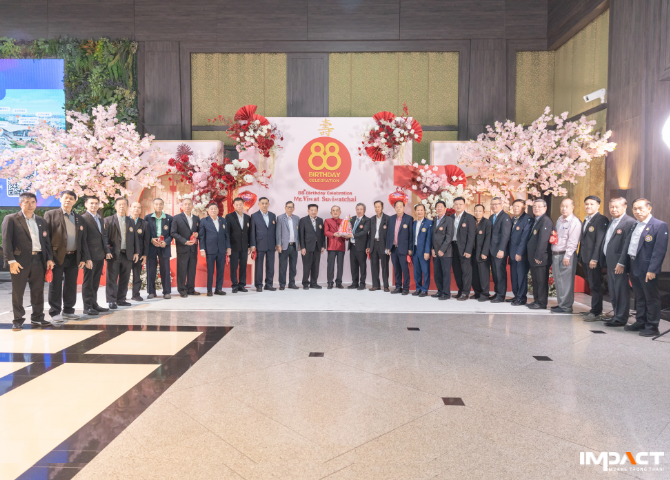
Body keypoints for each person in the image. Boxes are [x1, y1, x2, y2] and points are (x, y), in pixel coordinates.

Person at [2, 192, 55, 331]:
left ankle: (38, 317)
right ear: (20, 204)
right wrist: (11, 261)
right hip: (19, 261)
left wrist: (49, 258)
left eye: (33, 202)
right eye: (27, 202)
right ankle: (18, 320)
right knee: (18, 292)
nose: (30, 204)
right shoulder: (11, 219)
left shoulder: (41, 221)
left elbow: (46, 242)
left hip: (39, 260)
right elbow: (6, 241)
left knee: (38, 291)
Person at [617, 198, 669, 337]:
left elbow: (659, 251)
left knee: (651, 297)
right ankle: (640, 321)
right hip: (633, 264)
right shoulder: (635, 225)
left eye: (641, 208)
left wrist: (652, 269)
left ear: (649, 208)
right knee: (639, 296)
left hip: (647, 267)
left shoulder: (659, 225)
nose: (637, 211)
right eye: (635, 209)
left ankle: (652, 326)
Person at [44, 190, 89, 324]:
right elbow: (46, 239)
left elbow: (83, 240)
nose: (68, 200)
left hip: (74, 257)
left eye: (71, 198)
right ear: (60, 199)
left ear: (75, 201)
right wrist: (49, 258)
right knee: (56, 285)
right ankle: (55, 312)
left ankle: (68, 310)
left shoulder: (79, 218)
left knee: (71, 285)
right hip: (56, 257)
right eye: (66, 198)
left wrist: (83, 258)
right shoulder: (51, 215)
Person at [601, 198, 636, 327]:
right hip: (610, 261)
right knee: (613, 290)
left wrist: (621, 262)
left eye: (617, 207)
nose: (614, 209)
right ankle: (616, 315)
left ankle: (621, 318)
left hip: (619, 263)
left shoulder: (629, 222)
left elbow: (627, 245)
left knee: (621, 290)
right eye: (611, 207)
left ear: (624, 207)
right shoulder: (612, 220)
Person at [104, 197, 140, 309]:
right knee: (112, 278)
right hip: (114, 254)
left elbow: (135, 237)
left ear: (127, 207)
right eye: (119, 204)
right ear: (115, 206)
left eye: (124, 204)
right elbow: (104, 238)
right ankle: (111, 300)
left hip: (127, 254)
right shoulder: (108, 220)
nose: (122, 206)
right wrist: (107, 251)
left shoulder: (130, 221)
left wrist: (136, 252)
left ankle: (121, 299)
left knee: (125, 277)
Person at [578, 195, 609, 321]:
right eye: (587, 204)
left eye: (591, 204)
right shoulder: (586, 219)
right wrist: (580, 257)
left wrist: (595, 259)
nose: (588, 206)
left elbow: (599, 241)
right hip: (585, 258)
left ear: (598, 206)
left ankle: (596, 312)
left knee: (596, 285)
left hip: (593, 260)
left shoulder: (601, 219)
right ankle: (593, 309)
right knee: (592, 284)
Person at [80, 196, 111, 316]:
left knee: (95, 282)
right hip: (90, 256)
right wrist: (87, 258)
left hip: (100, 255)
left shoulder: (100, 218)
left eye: (96, 203)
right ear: (86, 204)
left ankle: (94, 304)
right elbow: (83, 240)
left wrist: (107, 251)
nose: (94, 206)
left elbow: (103, 236)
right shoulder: (83, 218)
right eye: (91, 203)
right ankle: (87, 307)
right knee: (88, 282)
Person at [550, 198, 582, 314]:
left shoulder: (574, 222)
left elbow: (573, 241)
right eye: (562, 206)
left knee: (566, 281)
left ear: (572, 207)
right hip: (556, 254)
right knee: (559, 281)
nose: (564, 208)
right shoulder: (559, 220)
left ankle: (566, 307)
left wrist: (567, 256)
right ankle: (561, 304)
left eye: (567, 206)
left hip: (566, 255)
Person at [171, 197, 200, 297]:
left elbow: (200, 232)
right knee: (182, 270)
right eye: (185, 204)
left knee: (192, 270)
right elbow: (173, 233)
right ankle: (182, 290)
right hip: (182, 248)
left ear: (192, 206)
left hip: (193, 249)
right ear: (182, 206)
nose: (187, 206)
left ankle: (191, 289)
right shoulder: (177, 218)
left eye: (189, 204)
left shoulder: (196, 218)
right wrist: (184, 241)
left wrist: (198, 234)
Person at [526, 199, 553, 310]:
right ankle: (536, 301)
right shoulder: (537, 220)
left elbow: (543, 240)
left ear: (545, 208)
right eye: (534, 206)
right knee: (536, 280)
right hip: (534, 257)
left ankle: (541, 303)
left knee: (541, 281)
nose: (536, 208)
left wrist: (539, 256)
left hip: (540, 257)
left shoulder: (545, 221)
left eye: (539, 206)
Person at [199, 203, 231, 296]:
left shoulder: (222, 220)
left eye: (215, 209)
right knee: (210, 270)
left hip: (221, 249)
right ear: (208, 211)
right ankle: (209, 290)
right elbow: (201, 236)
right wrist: (202, 249)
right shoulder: (204, 221)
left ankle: (218, 289)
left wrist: (228, 247)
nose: (213, 210)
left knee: (221, 270)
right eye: (211, 209)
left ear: (218, 210)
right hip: (210, 250)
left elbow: (226, 235)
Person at [144, 198, 172, 300]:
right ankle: (151, 292)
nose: (158, 206)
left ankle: (166, 292)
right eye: (156, 204)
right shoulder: (147, 218)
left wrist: (166, 242)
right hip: (152, 246)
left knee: (165, 269)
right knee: (151, 269)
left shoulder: (169, 218)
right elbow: (145, 233)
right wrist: (151, 239)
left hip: (164, 247)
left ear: (163, 205)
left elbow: (172, 234)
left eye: (160, 204)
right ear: (153, 206)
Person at [508, 199, 533, 306]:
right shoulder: (513, 218)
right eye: (514, 206)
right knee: (514, 276)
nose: (515, 208)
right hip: (512, 253)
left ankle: (521, 298)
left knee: (521, 276)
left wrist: (519, 253)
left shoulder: (528, 219)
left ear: (524, 208)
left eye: (518, 206)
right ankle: (516, 295)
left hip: (521, 254)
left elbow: (524, 238)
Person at [250, 197, 278, 292]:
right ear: (259, 204)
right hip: (259, 244)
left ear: (269, 204)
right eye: (262, 203)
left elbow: (275, 231)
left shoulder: (272, 215)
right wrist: (252, 245)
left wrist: (276, 243)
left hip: (271, 244)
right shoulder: (254, 216)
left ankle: (269, 284)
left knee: (270, 266)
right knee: (259, 266)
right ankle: (259, 285)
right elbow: (252, 231)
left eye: (266, 203)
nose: (264, 205)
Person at [385, 200, 413, 295]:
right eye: (397, 207)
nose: (398, 208)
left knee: (404, 269)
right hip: (393, 248)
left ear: (404, 207)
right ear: (394, 208)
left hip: (404, 248)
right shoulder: (391, 218)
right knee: (396, 269)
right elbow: (389, 234)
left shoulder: (409, 219)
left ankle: (406, 288)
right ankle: (398, 287)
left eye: (400, 206)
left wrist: (410, 248)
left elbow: (411, 235)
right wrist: (388, 247)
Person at [451, 197, 475, 300]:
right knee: (457, 271)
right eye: (456, 204)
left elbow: (471, 236)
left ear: (464, 205)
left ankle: (465, 292)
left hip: (464, 249)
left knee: (466, 271)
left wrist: (468, 250)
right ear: (453, 206)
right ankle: (460, 290)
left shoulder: (469, 218)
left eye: (460, 204)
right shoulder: (450, 218)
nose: (458, 206)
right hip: (453, 247)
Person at [488, 197, 512, 303]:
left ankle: (501, 296)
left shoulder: (505, 217)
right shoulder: (491, 217)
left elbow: (505, 235)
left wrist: (502, 250)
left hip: (499, 251)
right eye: (492, 204)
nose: (494, 206)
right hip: (492, 250)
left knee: (500, 273)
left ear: (501, 205)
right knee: (495, 273)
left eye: (496, 204)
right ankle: (497, 292)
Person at [225, 197, 251, 293]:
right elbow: (227, 233)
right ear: (234, 206)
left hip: (244, 246)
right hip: (233, 246)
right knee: (234, 266)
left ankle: (242, 285)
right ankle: (234, 285)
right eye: (237, 204)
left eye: (240, 204)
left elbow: (249, 233)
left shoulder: (248, 217)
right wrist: (228, 247)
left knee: (243, 266)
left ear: (243, 205)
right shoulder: (229, 217)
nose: (239, 206)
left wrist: (250, 245)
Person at [298, 204, 325, 289]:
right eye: (311, 210)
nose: (313, 212)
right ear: (308, 211)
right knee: (307, 266)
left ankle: (314, 283)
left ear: (317, 211)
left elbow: (322, 234)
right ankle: (305, 283)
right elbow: (301, 234)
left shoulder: (320, 220)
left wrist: (323, 245)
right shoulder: (303, 220)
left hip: (317, 246)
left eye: (315, 210)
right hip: (307, 247)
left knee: (316, 266)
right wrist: (302, 247)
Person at [431, 200, 454, 300]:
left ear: (445, 209)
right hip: (435, 252)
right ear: (435, 209)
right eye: (438, 207)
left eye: (441, 207)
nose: (439, 208)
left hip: (445, 252)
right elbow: (432, 236)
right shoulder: (434, 220)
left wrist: (442, 249)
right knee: (437, 273)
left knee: (445, 274)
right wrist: (432, 249)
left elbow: (449, 237)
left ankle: (446, 293)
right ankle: (440, 291)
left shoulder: (449, 220)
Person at [276, 201, 300, 290]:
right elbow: (278, 232)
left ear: (294, 208)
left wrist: (299, 244)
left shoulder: (297, 218)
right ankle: (282, 284)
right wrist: (278, 244)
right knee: (283, 266)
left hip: (294, 245)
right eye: (288, 207)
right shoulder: (280, 218)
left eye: (291, 207)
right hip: (284, 246)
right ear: (285, 208)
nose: (289, 209)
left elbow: (298, 232)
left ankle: (292, 283)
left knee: (293, 266)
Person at [368, 200, 390, 292]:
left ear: (382, 207)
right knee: (374, 266)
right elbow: (369, 234)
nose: (377, 208)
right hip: (373, 244)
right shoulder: (372, 219)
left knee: (385, 266)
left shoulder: (388, 218)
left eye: (379, 207)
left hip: (384, 245)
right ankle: (376, 285)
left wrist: (388, 247)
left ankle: (386, 286)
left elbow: (389, 234)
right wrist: (368, 246)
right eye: (375, 207)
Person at [348, 203, 370, 290]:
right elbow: (348, 230)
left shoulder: (367, 220)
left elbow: (364, 232)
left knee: (362, 266)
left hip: (361, 247)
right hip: (352, 246)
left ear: (364, 210)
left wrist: (352, 235)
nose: (359, 211)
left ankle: (362, 283)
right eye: (357, 209)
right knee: (353, 265)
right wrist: (345, 235)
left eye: (361, 209)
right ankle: (354, 283)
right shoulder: (352, 219)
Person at [471, 204, 491, 301]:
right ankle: (477, 292)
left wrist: (485, 252)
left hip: (482, 253)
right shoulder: (472, 222)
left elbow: (488, 238)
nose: (477, 213)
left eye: (480, 211)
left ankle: (485, 293)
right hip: (472, 252)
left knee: (483, 274)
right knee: (475, 274)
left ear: (483, 212)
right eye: (476, 211)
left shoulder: (487, 223)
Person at [411, 204, 432, 297]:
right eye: (418, 210)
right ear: (415, 212)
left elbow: (429, 239)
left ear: (424, 211)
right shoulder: (414, 223)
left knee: (425, 271)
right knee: (417, 271)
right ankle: (418, 288)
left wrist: (427, 251)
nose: (419, 212)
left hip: (424, 251)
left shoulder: (429, 223)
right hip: (415, 250)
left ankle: (425, 289)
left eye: (421, 210)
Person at [129, 201, 148, 302]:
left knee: (137, 275)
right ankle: (121, 295)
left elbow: (146, 241)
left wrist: (145, 255)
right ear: (130, 208)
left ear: (140, 210)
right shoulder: (125, 221)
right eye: (134, 207)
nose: (136, 209)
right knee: (124, 275)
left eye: (138, 207)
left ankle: (136, 294)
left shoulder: (144, 223)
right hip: (126, 253)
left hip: (139, 253)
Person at [324, 205, 346, 289]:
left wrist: (346, 236)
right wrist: (334, 234)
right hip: (331, 246)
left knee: (340, 265)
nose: (335, 212)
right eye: (333, 210)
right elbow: (326, 232)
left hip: (341, 246)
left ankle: (339, 282)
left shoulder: (344, 221)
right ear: (331, 212)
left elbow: (347, 233)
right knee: (330, 265)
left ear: (340, 212)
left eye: (337, 210)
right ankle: (330, 282)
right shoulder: (327, 221)